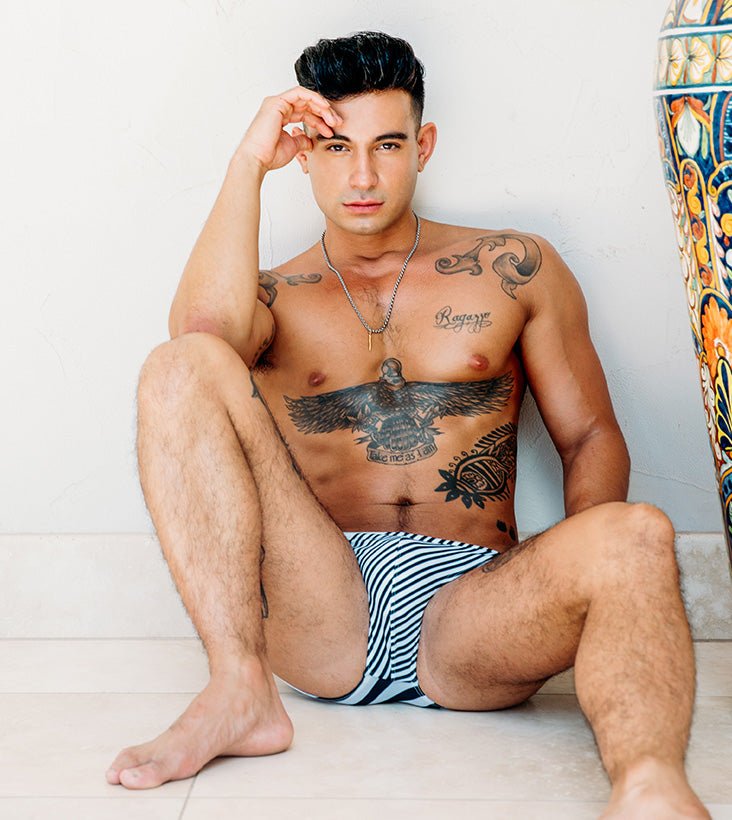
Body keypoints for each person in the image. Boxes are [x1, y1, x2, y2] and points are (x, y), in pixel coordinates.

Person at [105, 31, 708, 817]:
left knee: (639, 534)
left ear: (422, 147)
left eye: (386, 145)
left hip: (476, 609)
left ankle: (650, 787)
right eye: (335, 147)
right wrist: (248, 161)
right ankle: (240, 689)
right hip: (323, 600)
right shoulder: (272, 297)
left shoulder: (513, 268)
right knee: (177, 365)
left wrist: (583, 591)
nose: (362, 176)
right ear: (304, 153)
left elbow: (589, 436)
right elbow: (202, 337)